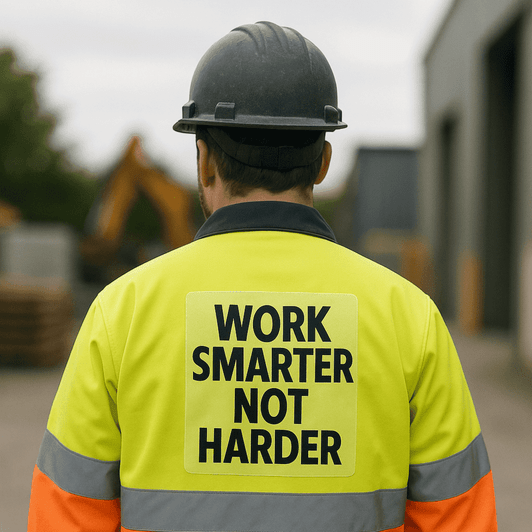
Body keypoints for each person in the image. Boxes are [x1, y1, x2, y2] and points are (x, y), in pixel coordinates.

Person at [28, 21, 497, 532]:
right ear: (322, 161)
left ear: (204, 161)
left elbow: (65, 513)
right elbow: (460, 518)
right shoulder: (410, 317)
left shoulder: (121, 313)